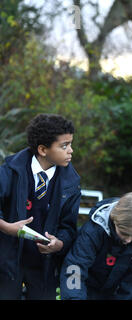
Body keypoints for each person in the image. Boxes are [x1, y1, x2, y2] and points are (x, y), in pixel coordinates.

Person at [0, 113, 81, 299]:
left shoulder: (72, 183)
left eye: (70, 144)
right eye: (64, 146)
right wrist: (6, 227)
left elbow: (68, 227)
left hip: (44, 267)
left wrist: (59, 243)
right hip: (7, 263)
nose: (71, 151)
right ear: (43, 150)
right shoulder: (9, 172)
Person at [59, 192, 132, 300]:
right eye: (124, 233)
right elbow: (75, 267)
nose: (128, 240)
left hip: (113, 291)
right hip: (87, 287)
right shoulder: (93, 231)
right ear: (115, 221)